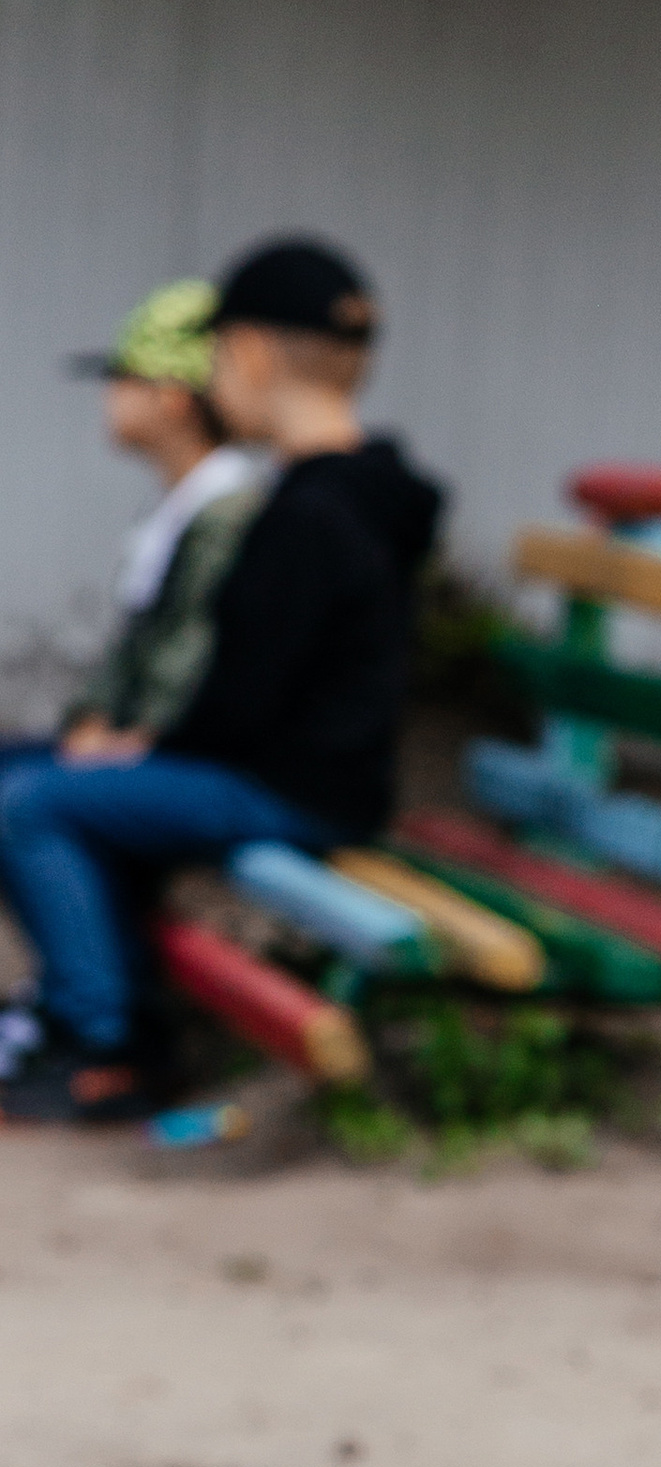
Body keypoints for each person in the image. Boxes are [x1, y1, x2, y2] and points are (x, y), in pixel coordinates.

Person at [0, 235, 442, 1120]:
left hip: (292, 791)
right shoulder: (367, 491)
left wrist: (145, 746)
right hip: (305, 776)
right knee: (42, 779)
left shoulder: (310, 511)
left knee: (32, 802)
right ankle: (86, 1009)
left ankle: (106, 1041)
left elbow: (244, 696)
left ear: (241, 353)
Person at [52, 280, 266, 762]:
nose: (108, 395)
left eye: (121, 378)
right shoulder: (182, 503)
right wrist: (90, 719)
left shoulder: (226, 511)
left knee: (23, 802)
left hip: (168, 753)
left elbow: (190, 648)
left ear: (171, 396)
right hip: (139, 741)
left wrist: (133, 738)